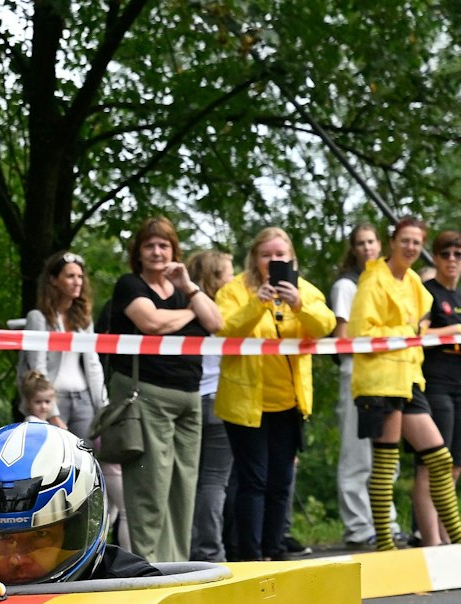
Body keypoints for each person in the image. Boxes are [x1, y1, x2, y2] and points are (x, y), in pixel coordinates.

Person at [99, 216, 223, 561]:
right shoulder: (130, 285)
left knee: (183, 488)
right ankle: (151, 564)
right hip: (147, 395)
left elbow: (216, 322)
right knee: (149, 488)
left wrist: (190, 288)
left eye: (164, 245)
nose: (156, 252)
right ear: (138, 252)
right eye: (149, 245)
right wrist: (190, 313)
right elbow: (151, 322)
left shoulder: (184, 291)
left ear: (174, 250)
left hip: (189, 396)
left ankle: (177, 563)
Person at [213, 228, 337, 561]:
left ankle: (274, 549)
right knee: (253, 481)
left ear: (291, 258)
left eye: (280, 255)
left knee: (281, 481)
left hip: (289, 402)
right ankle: (250, 556)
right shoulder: (234, 290)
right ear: (254, 258)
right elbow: (225, 328)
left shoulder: (303, 289)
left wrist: (299, 305)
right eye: (266, 255)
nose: (273, 260)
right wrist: (257, 303)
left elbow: (325, 325)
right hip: (245, 405)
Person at [351, 215, 461, 551]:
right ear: (393, 242)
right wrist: (408, 332)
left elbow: (421, 324)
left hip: (410, 379)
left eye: (416, 242)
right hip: (380, 381)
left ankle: (456, 541)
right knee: (386, 465)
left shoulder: (414, 282)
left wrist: (415, 332)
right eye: (406, 240)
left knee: (440, 459)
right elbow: (360, 333)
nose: (411, 247)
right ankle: (386, 545)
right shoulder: (373, 280)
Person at [0, 422, 160, 585]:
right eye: (3, 536)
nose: (19, 559)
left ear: (74, 533)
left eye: (40, 534)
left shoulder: (136, 587)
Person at [18, 251, 126, 550]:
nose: (77, 282)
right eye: (70, 276)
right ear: (54, 280)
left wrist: (103, 409)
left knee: (88, 471)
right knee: (57, 471)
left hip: (85, 402)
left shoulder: (83, 318)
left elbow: (92, 363)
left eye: (80, 276)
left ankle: (92, 539)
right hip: (52, 401)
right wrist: (52, 413)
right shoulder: (38, 317)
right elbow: (37, 365)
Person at [332, 223, 385, 548]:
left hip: (385, 375)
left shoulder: (384, 283)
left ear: (380, 245)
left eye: (371, 241)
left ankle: (384, 523)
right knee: (356, 453)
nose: (367, 248)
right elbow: (342, 338)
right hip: (356, 372)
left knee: (384, 454)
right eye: (361, 243)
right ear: (354, 249)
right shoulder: (346, 286)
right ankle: (358, 526)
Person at [186, 250, 236, 562]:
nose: (234, 278)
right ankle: (210, 551)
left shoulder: (185, 309)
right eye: (229, 273)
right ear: (216, 277)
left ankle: (187, 548)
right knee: (214, 481)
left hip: (190, 398)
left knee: (189, 480)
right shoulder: (226, 312)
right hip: (219, 398)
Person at [420, 230, 461, 542]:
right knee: (433, 463)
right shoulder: (426, 291)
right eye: (445, 254)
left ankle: (448, 540)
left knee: (456, 466)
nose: (452, 260)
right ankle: (431, 541)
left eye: (458, 254)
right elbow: (418, 334)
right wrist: (454, 329)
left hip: (459, 385)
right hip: (435, 384)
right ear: (435, 257)